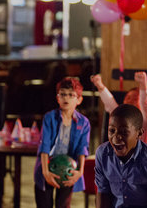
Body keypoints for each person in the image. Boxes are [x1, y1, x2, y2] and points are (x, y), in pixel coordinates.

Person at [95, 104, 147, 208]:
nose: (116, 137)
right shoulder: (102, 154)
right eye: (112, 131)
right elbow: (103, 191)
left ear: (139, 134)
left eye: (124, 132)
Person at [34, 77, 90, 208]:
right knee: (44, 203)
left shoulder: (84, 122)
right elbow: (44, 145)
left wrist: (80, 172)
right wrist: (45, 172)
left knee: (63, 205)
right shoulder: (49, 117)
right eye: (63, 94)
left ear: (79, 100)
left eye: (71, 95)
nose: (66, 98)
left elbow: (83, 148)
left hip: (68, 169)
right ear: (57, 98)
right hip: (47, 167)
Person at [91, 72, 147, 144]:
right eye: (128, 98)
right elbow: (110, 104)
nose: (130, 101)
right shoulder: (121, 116)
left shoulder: (146, 119)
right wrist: (99, 85)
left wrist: (143, 85)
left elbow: (145, 105)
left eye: (135, 99)